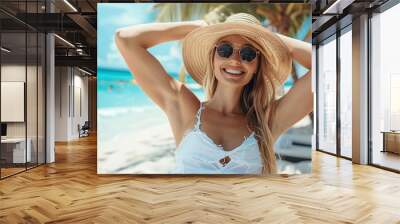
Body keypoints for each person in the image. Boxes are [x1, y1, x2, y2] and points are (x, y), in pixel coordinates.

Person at [115, 13, 312, 175]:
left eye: (248, 53)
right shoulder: (185, 108)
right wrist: (196, 27)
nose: (235, 60)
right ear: (213, 58)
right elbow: (126, 39)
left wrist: (272, 40)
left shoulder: (267, 121)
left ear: (257, 65)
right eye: (225, 50)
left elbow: (326, 65)